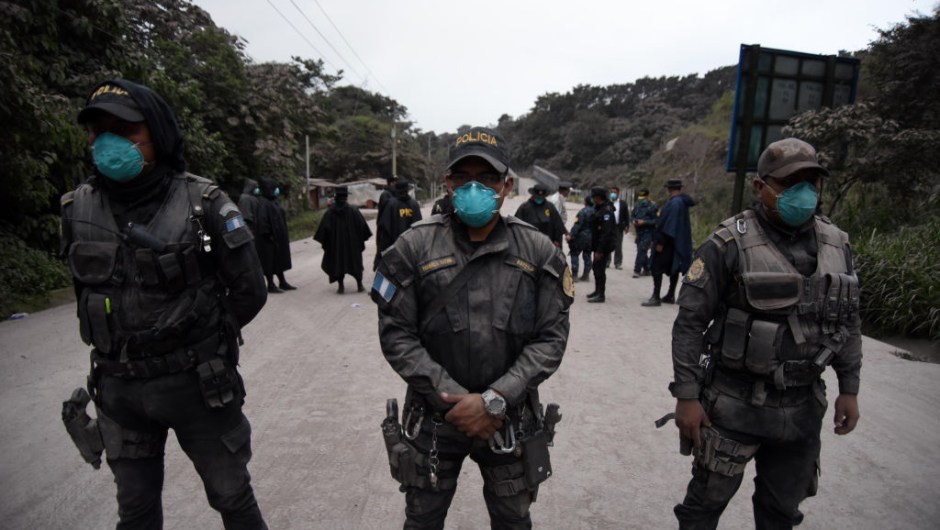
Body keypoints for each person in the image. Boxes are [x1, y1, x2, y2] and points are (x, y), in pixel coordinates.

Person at [59, 79, 269, 529]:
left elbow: (249, 289)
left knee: (232, 497)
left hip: (197, 387)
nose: (109, 142)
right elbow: (86, 294)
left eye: (126, 131)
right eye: (98, 131)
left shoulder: (205, 204)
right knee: (134, 512)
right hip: (119, 390)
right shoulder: (77, 208)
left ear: (158, 133)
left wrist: (207, 338)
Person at [372, 126, 573, 529]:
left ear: (506, 185)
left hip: (508, 420)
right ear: (447, 182)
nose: (474, 187)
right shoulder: (413, 247)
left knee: (513, 521)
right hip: (433, 419)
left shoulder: (537, 251)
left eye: (487, 178)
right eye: (462, 178)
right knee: (422, 521)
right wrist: (455, 401)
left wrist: (496, 398)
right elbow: (397, 334)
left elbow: (551, 338)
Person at [667, 137, 862, 529]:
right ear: (761, 187)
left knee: (781, 514)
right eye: (792, 184)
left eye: (812, 182)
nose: (805, 193)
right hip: (732, 408)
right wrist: (687, 396)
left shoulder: (837, 244)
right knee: (703, 510)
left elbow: (847, 321)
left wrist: (849, 388)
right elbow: (689, 323)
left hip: (802, 410)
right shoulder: (728, 244)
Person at [642, 179, 695, 306]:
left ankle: (656, 296)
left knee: (656, 267)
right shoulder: (681, 202)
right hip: (676, 242)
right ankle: (670, 294)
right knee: (673, 268)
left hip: (667, 242)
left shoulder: (675, 204)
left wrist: (661, 242)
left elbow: (669, 225)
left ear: (669, 189)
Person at [313, 186, 372, 293]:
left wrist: (329, 243)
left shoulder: (330, 213)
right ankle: (359, 285)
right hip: (352, 245)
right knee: (355, 264)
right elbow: (363, 227)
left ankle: (341, 286)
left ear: (336, 197)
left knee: (338, 263)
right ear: (346, 197)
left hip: (336, 246)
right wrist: (359, 240)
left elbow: (323, 231)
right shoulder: (354, 211)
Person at [254, 177, 296, 292]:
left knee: (279, 260)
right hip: (268, 239)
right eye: (274, 188)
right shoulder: (263, 203)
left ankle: (282, 282)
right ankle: (271, 284)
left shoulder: (273, 201)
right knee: (269, 262)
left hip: (278, 238)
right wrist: (269, 235)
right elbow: (262, 222)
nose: (277, 190)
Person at [374, 179, 423, 270]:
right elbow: (419, 227)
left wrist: (381, 252)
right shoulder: (414, 204)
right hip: (410, 249)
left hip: (393, 248)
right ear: (407, 189)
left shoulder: (391, 204)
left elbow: (385, 229)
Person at [586, 186, 617, 303]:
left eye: (594, 196)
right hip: (599, 244)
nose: (593, 199)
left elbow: (606, 233)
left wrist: (599, 250)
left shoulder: (606, 211)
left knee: (599, 269)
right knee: (596, 268)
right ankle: (597, 290)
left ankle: (601, 294)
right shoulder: (600, 208)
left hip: (604, 246)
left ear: (598, 197)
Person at [514, 183, 567, 247]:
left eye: (541, 197)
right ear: (533, 195)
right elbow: (516, 226)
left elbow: (558, 225)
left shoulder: (550, 207)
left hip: (547, 244)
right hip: (528, 245)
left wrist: (557, 240)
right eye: (537, 197)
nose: (539, 199)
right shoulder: (524, 208)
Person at [631, 188, 658, 278]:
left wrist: (645, 222)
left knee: (642, 250)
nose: (641, 200)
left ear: (647, 196)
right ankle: (647, 268)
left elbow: (657, 220)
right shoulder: (637, 206)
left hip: (648, 233)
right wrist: (634, 221)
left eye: (643, 198)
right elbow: (632, 215)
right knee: (641, 250)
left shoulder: (653, 206)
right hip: (639, 232)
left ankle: (637, 270)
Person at [567, 196, 594, 282]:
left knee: (574, 253)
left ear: (585, 202)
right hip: (592, 237)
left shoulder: (582, 212)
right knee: (587, 255)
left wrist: (571, 235)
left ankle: (575, 275)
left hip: (581, 236)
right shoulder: (596, 212)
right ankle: (586, 275)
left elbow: (577, 225)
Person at [608, 186, 631, 269]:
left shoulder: (623, 204)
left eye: (614, 192)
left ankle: (617, 262)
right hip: (608, 226)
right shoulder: (607, 203)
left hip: (618, 227)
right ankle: (607, 261)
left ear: (618, 194)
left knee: (618, 245)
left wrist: (627, 226)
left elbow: (626, 216)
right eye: (612, 192)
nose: (613, 194)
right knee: (607, 243)